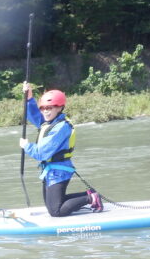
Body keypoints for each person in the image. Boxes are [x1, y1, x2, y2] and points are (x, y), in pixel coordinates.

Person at [19, 83, 103, 217]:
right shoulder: (49, 122)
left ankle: (90, 199)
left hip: (59, 171)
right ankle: (90, 195)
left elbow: (41, 153)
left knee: (56, 211)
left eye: (50, 108)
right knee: (52, 205)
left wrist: (27, 146)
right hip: (50, 171)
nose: (45, 111)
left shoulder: (61, 127)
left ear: (59, 108)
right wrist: (29, 99)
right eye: (43, 108)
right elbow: (35, 116)